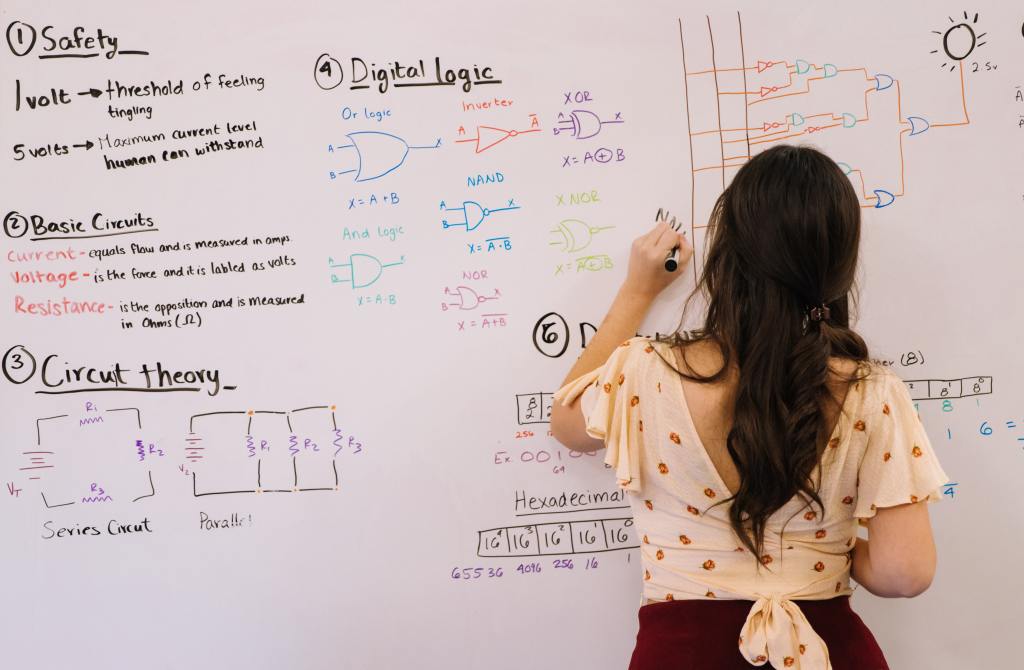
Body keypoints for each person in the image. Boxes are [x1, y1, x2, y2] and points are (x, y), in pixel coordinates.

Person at [550, 144, 949, 670]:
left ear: (728, 253)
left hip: (683, 654)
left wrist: (637, 290)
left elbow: (566, 420)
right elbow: (906, 573)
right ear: (837, 266)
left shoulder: (644, 372)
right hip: (829, 651)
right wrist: (812, 554)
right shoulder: (873, 392)